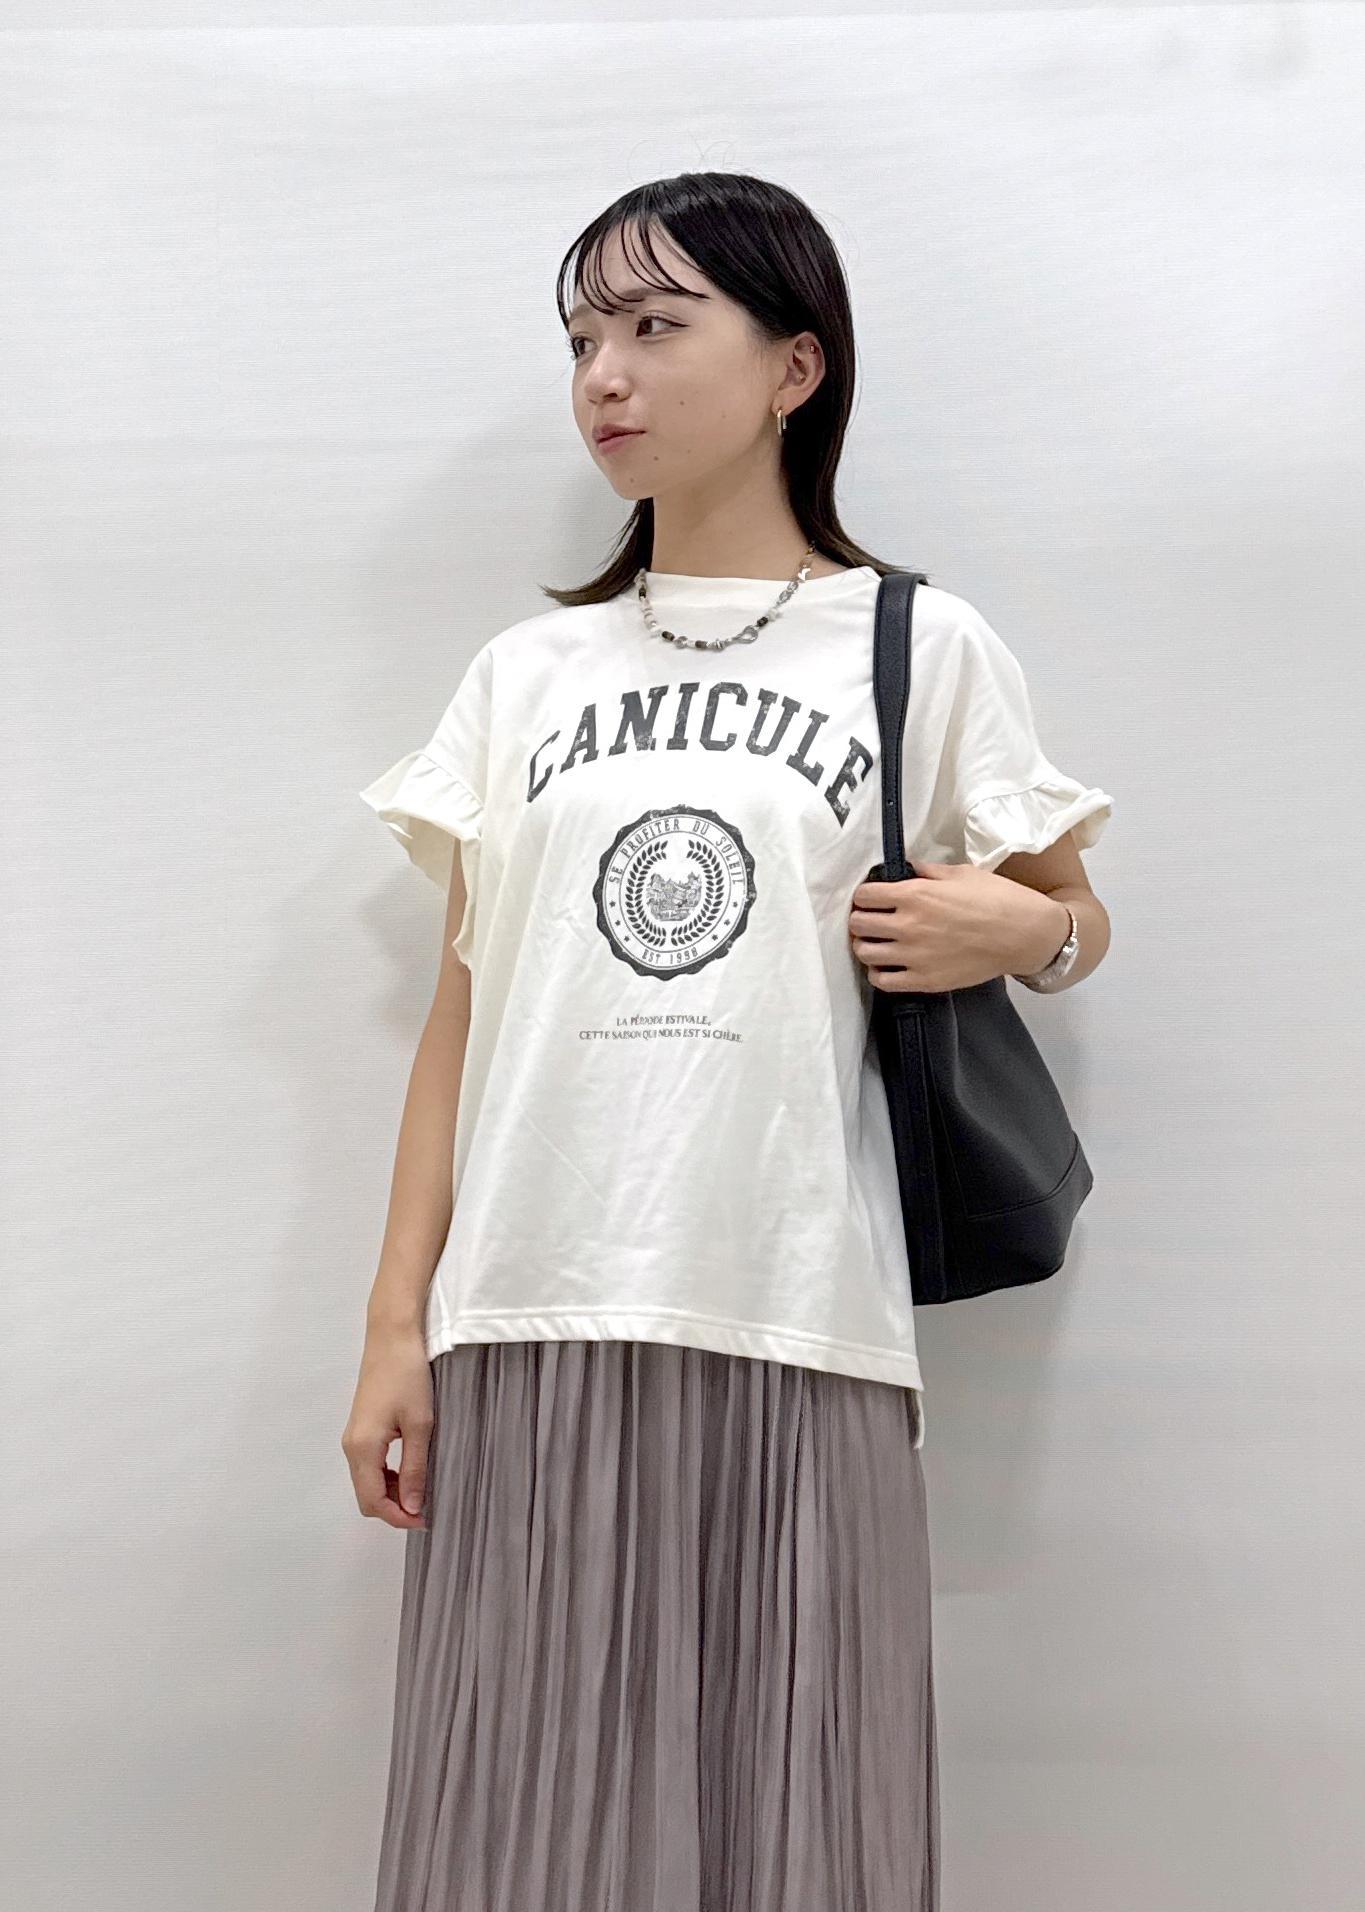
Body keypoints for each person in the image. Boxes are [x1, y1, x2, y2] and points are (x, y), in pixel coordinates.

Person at [343, 171, 1114, 1912]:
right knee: (524, 1829)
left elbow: (1071, 916)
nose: (603, 376)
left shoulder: (918, 647)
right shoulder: (525, 676)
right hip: (530, 1310)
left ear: (793, 368)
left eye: (653, 327)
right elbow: (465, 1012)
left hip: (794, 1308)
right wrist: (396, 1326)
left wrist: (1023, 933)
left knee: (793, 1822)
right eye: (581, 340)